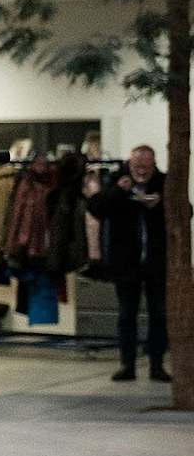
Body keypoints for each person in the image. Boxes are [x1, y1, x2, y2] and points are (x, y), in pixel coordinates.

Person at [89, 145, 172, 381]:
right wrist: (117, 191)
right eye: (137, 166)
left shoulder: (164, 184)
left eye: (146, 167)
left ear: (154, 164)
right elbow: (95, 207)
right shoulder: (117, 180)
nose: (142, 172)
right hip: (126, 264)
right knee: (126, 315)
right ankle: (128, 365)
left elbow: (186, 211)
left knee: (159, 315)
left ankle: (157, 364)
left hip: (156, 264)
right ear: (130, 163)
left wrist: (161, 204)